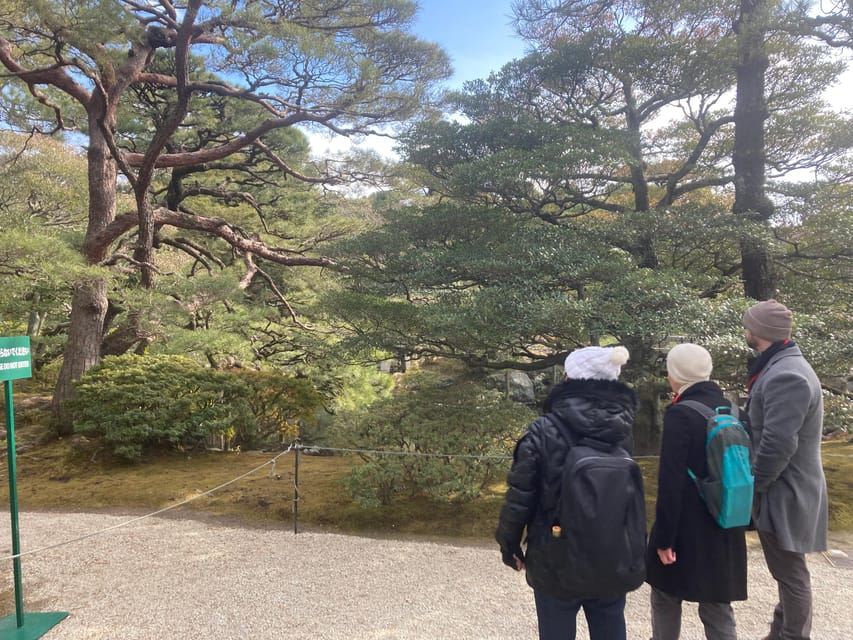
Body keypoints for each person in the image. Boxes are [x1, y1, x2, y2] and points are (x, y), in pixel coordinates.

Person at [495, 345, 639, 640]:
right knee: (611, 627)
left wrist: (509, 545)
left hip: (555, 556)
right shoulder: (623, 429)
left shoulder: (544, 429)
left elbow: (520, 495)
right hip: (611, 553)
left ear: (571, 378)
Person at [646, 343, 747, 640]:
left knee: (665, 596)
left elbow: (671, 482)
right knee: (717, 604)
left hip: (687, 526)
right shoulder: (729, 408)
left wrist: (664, 538)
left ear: (677, 373)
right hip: (725, 519)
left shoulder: (681, 414)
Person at [743, 300, 828, 640]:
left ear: (759, 332)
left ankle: (793, 636)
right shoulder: (781, 365)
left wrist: (755, 484)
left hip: (785, 490)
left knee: (791, 573)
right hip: (784, 487)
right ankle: (780, 633)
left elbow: (780, 443)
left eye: (748, 325)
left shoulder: (786, 374)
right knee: (786, 570)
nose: (745, 331)